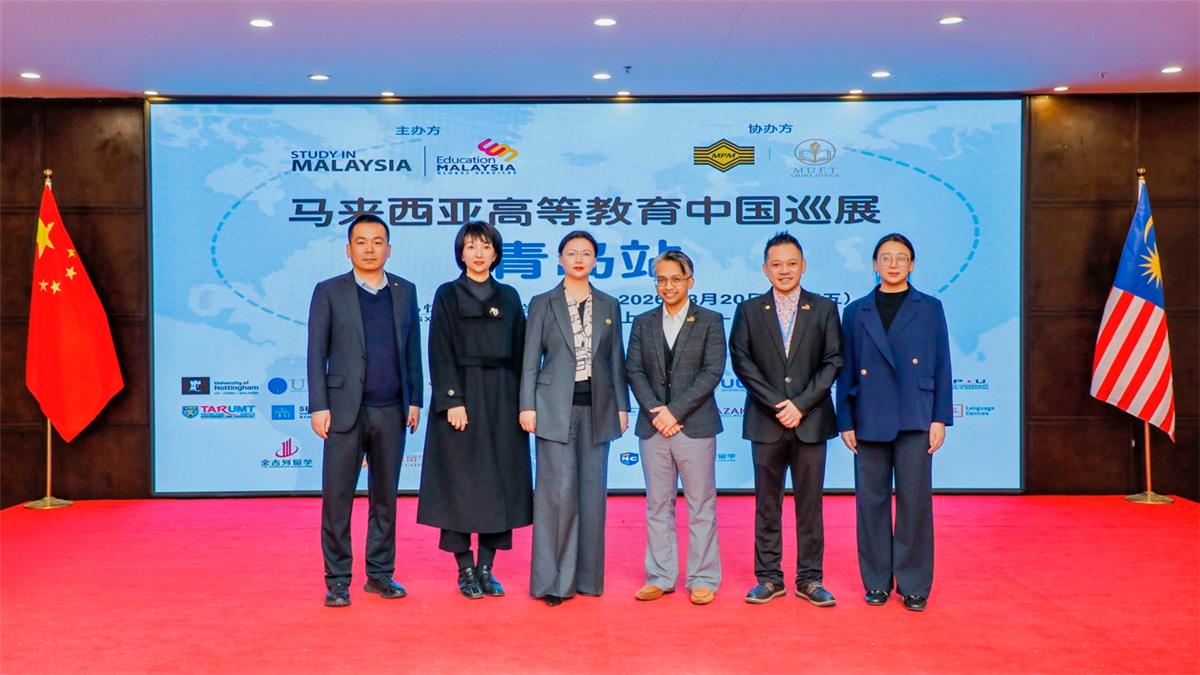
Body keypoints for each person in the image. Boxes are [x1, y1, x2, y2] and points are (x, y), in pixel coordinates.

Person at [307, 214, 423, 608]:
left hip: (391, 409)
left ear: (389, 249)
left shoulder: (405, 291)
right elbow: (315, 353)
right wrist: (319, 405)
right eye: (361, 242)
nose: (369, 249)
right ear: (348, 249)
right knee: (337, 498)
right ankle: (338, 580)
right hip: (343, 411)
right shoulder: (329, 291)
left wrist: (415, 399)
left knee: (385, 498)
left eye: (377, 242)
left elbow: (412, 349)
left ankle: (380, 574)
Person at [836, 233, 952, 612]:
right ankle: (876, 582)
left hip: (915, 415)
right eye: (885, 257)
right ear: (874, 264)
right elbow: (847, 369)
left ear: (912, 264)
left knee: (915, 503)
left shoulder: (930, 307)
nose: (893, 264)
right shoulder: (856, 311)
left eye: (901, 258)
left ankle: (914, 585)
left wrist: (940, 417)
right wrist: (845, 420)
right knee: (871, 503)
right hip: (868, 414)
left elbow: (942, 364)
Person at [416, 221, 531, 599]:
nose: (479, 254)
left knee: (501, 482)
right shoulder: (447, 294)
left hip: (503, 399)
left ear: (496, 253)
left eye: (485, 247)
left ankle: (486, 568)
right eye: (471, 247)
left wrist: (525, 403)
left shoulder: (509, 296)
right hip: (462, 398)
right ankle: (464, 568)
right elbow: (439, 349)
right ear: (460, 253)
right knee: (459, 483)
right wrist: (452, 400)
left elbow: (523, 353)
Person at [729, 231, 842, 606]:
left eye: (791, 263)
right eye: (776, 264)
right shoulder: (749, 311)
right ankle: (768, 577)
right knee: (767, 504)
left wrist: (801, 404)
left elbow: (833, 361)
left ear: (803, 266)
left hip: (811, 421)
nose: (784, 270)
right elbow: (742, 362)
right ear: (765, 269)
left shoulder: (824, 309)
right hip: (766, 421)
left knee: (810, 505)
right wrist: (779, 404)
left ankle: (810, 579)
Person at [520, 230, 629, 607]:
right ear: (560, 259)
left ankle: (587, 579)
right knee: (556, 496)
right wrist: (527, 405)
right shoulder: (542, 303)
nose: (579, 259)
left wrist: (622, 406)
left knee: (592, 496)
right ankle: (553, 582)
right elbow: (530, 358)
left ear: (596, 260)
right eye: (571, 253)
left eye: (586, 253)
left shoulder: (609, 305)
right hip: (553, 408)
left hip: (598, 409)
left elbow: (615, 360)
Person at [626, 250, 726, 606]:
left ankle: (703, 577)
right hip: (653, 427)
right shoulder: (643, 322)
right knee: (658, 505)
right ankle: (660, 575)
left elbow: (712, 371)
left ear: (690, 282)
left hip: (694, 426)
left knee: (701, 505)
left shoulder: (710, 320)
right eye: (662, 280)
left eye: (675, 279)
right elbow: (634, 370)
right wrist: (657, 412)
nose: (668, 286)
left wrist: (675, 411)